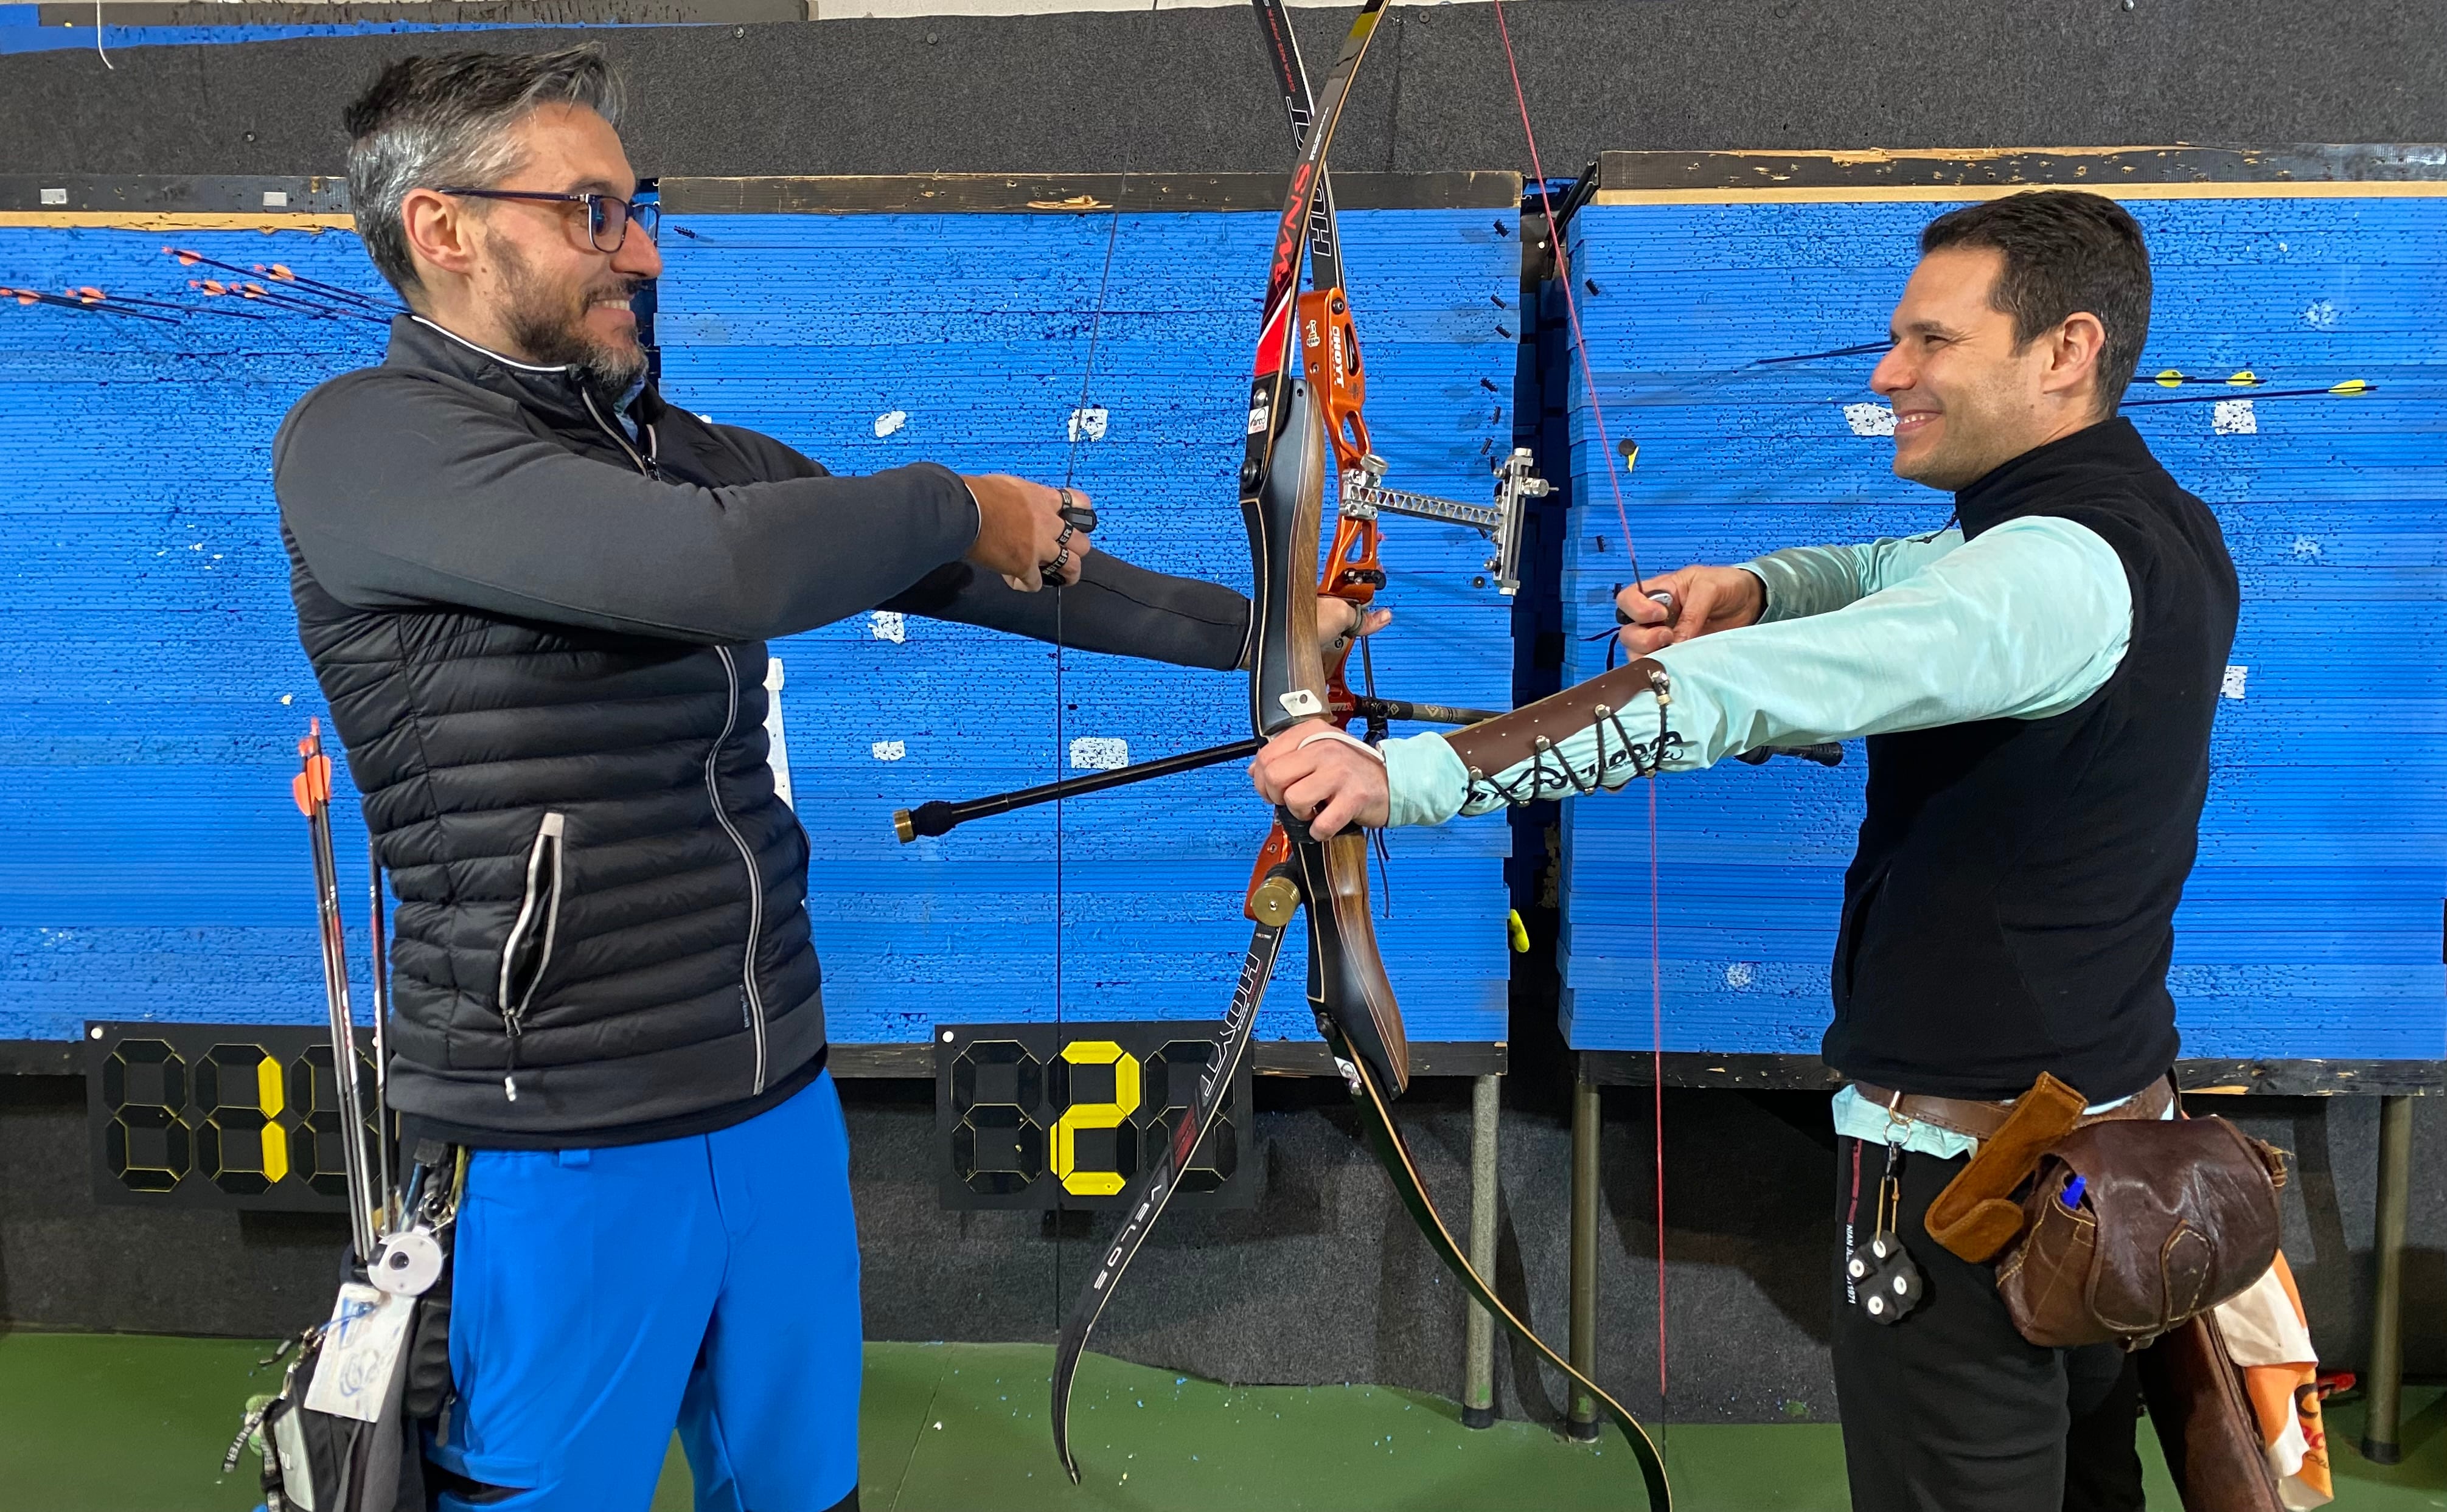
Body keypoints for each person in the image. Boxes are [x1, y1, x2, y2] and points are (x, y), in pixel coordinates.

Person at [278, 44, 1375, 1512]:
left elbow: (998, 576)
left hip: (774, 1089)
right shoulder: (365, 445)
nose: (644, 247)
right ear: (445, 230)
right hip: (564, 1133)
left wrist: (1277, 636)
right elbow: (721, 568)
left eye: (639, 205)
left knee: (802, 1489)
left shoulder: (672, 450)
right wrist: (954, 499)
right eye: (595, 211)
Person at [1253, 189, 2238, 1511]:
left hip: (1972, 1189)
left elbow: (1723, 698)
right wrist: (1757, 588)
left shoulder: (2042, 575)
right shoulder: (2142, 523)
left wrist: (1407, 777)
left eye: (1930, 342)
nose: (1890, 373)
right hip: (2103, 1160)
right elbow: (1899, 573)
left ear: (2063, 350)